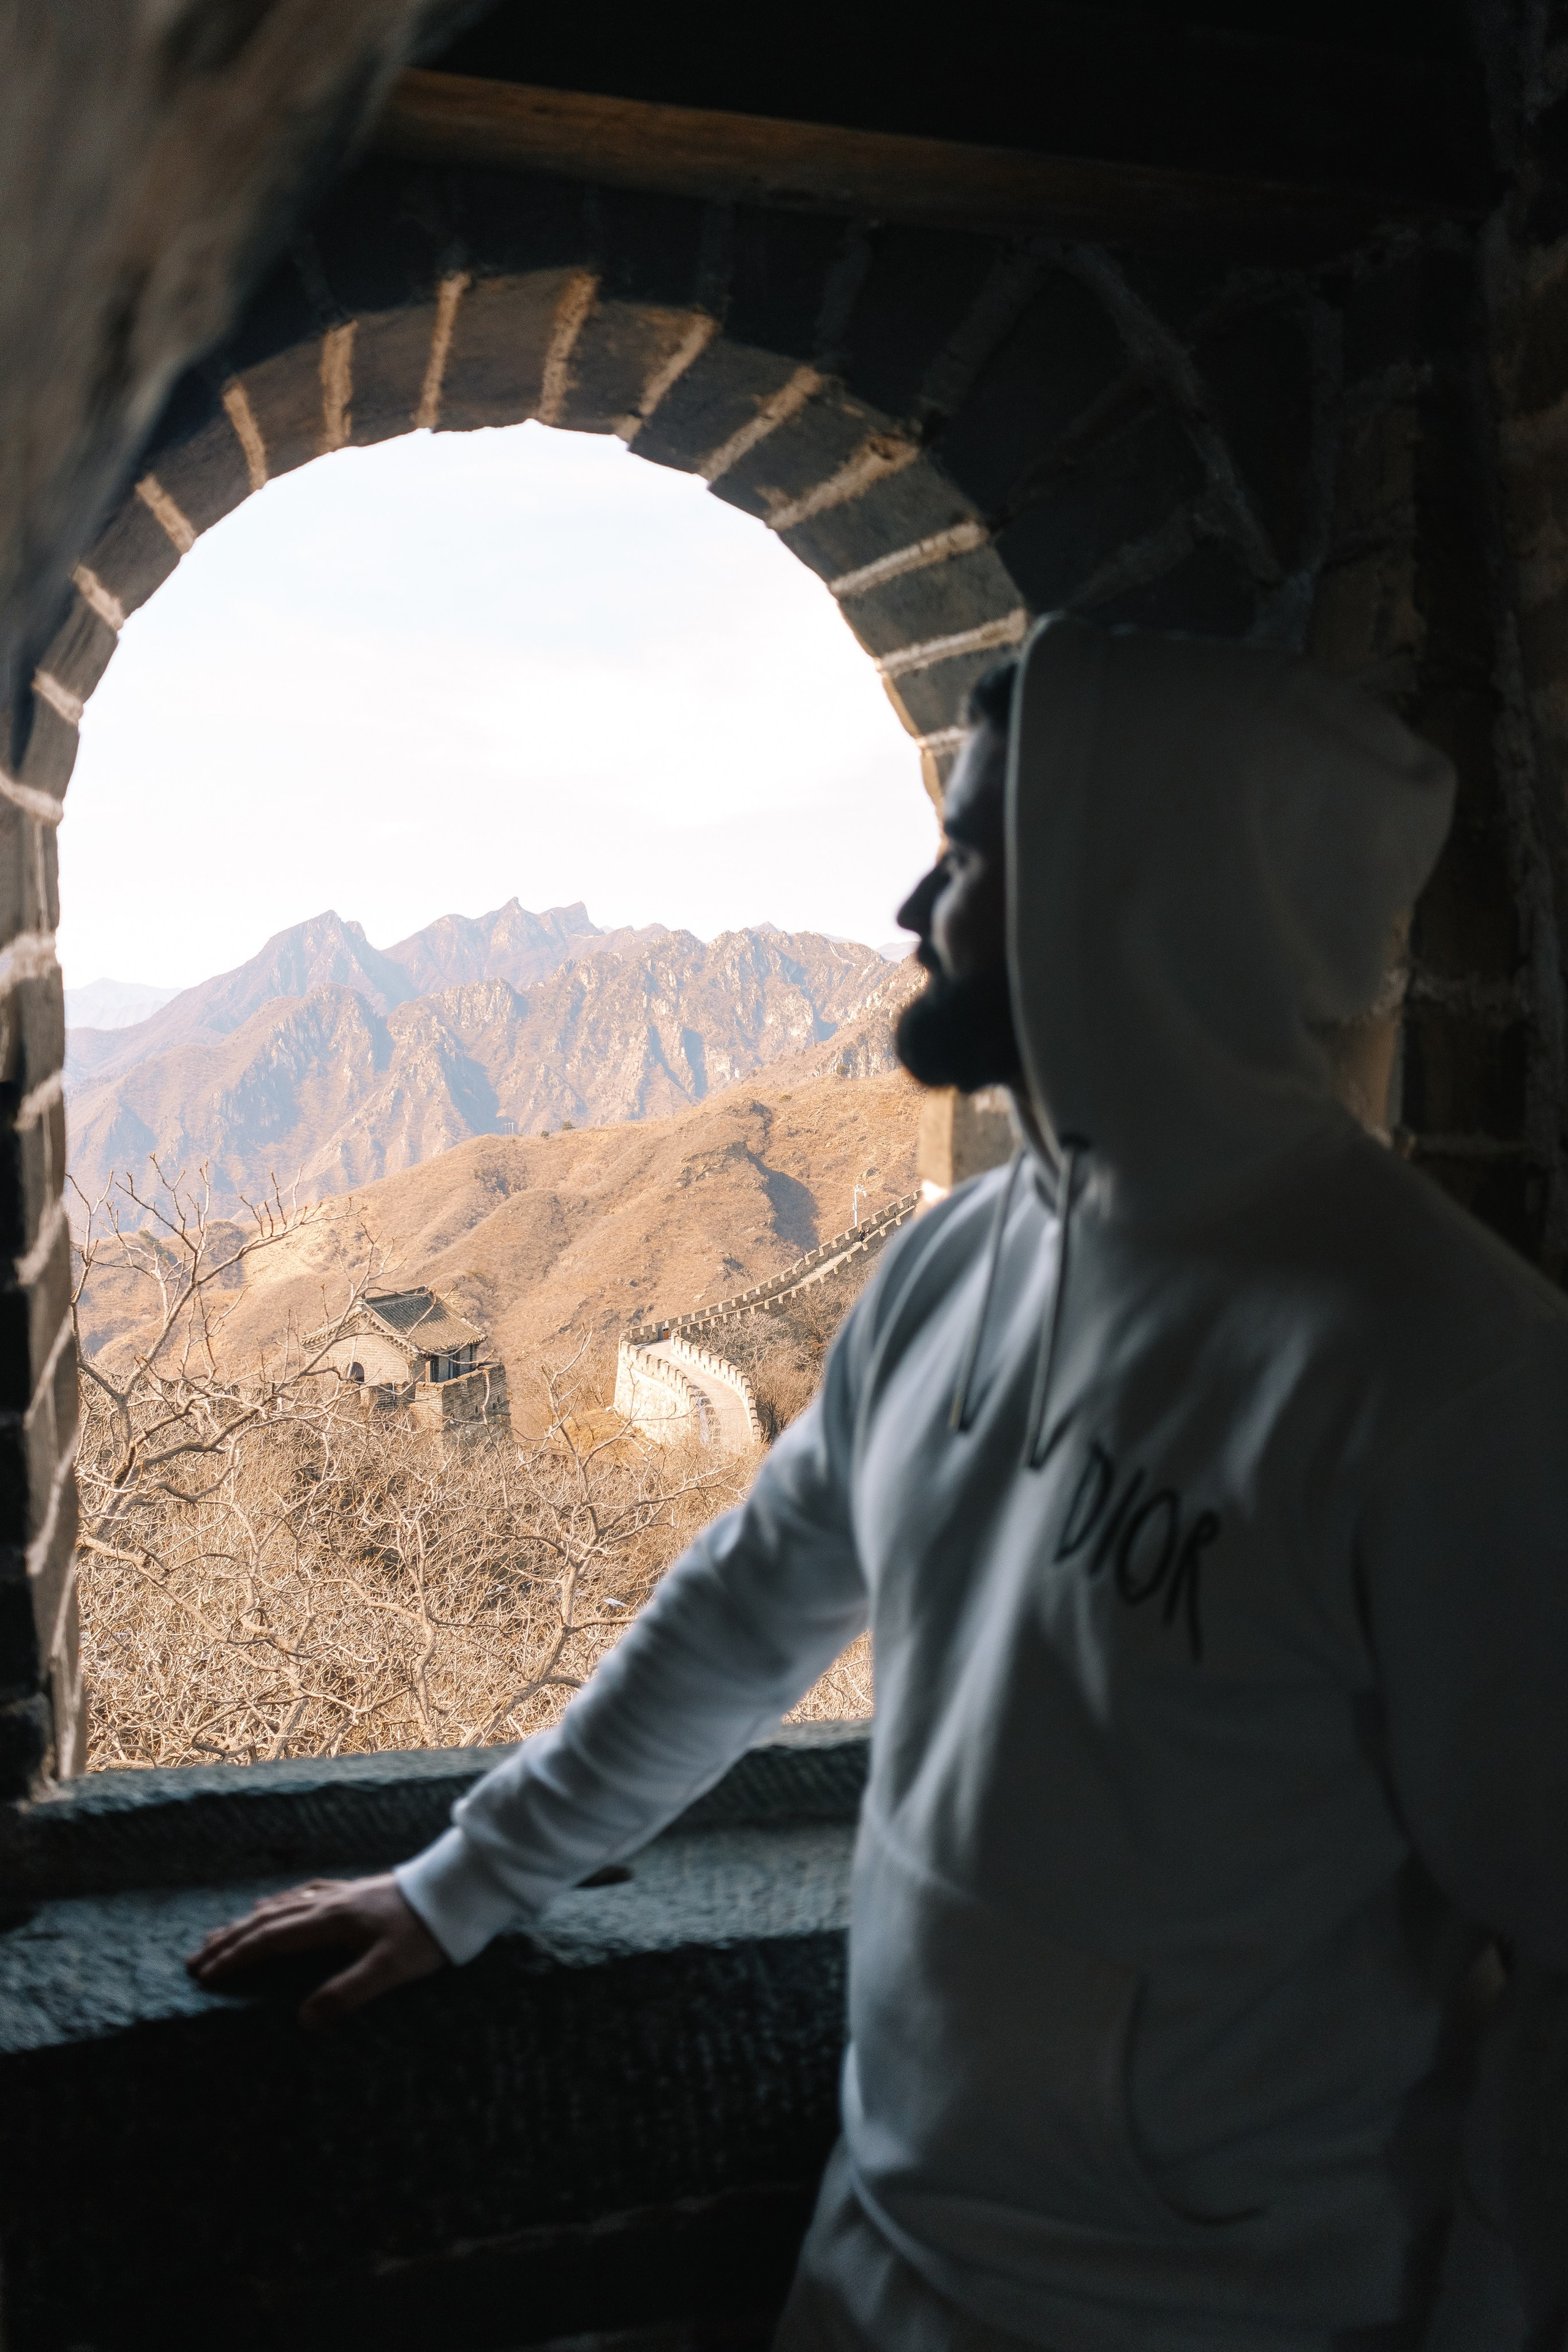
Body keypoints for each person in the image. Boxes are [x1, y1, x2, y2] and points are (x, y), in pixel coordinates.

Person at [190, 616, 1568, 2351]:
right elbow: (748, 1604)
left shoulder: (1441, 1372)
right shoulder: (954, 1268)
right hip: (879, 2252)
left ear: (1133, 897)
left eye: (974, 854)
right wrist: (469, 1881)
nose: (918, 913)